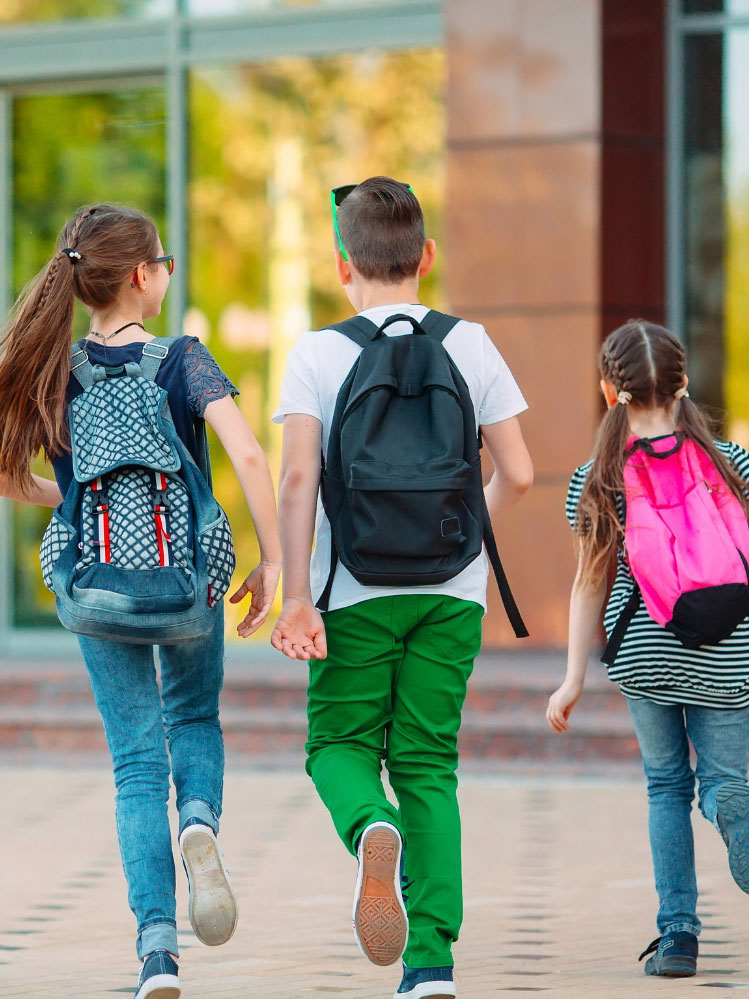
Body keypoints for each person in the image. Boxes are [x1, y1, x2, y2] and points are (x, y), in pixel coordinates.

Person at [0, 204, 282, 999]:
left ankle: (157, 954)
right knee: (193, 718)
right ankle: (198, 819)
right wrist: (272, 560)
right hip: (184, 583)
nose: (165, 272)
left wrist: (74, 500)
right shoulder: (182, 359)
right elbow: (251, 456)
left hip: (97, 593)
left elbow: (4, 469)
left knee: (133, 766)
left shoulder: (53, 371)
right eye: (162, 261)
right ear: (138, 275)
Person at [270, 176, 533, 1000]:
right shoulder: (473, 343)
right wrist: (462, 538)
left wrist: (297, 596)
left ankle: (367, 826)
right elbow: (520, 474)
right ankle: (431, 964)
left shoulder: (318, 351)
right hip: (452, 594)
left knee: (337, 748)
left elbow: (296, 481)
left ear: (341, 263)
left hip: (351, 587)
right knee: (427, 763)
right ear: (427, 257)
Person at [546, 319, 749, 978]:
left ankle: (679, 936)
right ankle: (728, 803)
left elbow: (588, 583)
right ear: (682, 384)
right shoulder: (729, 462)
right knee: (718, 780)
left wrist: (572, 677)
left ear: (610, 391)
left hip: (646, 657)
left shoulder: (595, 477)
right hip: (725, 652)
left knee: (665, 787)